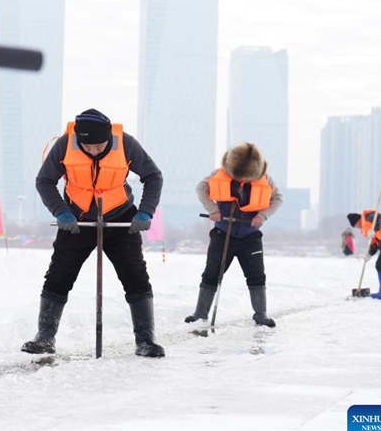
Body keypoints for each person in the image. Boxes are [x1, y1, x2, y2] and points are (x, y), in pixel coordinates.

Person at [21, 108, 165, 357]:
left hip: (121, 219)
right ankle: (44, 337)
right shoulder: (65, 144)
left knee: (135, 276)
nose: (94, 151)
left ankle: (146, 340)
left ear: (108, 137)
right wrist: (60, 211)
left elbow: (153, 176)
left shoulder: (126, 144)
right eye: (88, 146)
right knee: (58, 276)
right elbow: (44, 180)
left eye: (99, 146)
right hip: (76, 220)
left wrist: (145, 212)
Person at [185, 143, 283, 327]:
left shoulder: (266, 180)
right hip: (222, 234)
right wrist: (213, 210)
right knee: (211, 275)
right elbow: (201, 188)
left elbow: (278, 198)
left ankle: (261, 315)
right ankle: (200, 314)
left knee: (257, 276)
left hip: (251, 238)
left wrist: (262, 215)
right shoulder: (217, 175)